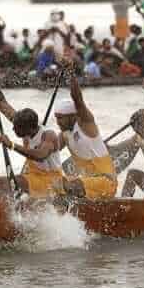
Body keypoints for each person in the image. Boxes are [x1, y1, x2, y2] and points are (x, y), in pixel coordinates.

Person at [0, 64, 62, 197]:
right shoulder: (22, 123)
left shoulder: (48, 135)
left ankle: (12, 210)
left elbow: (40, 155)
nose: (13, 128)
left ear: (29, 128)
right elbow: (2, 105)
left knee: (4, 183)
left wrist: (12, 145)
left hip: (51, 181)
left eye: (16, 128)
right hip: (33, 175)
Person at [50, 65, 117, 199]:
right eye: (56, 118)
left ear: (73, 116)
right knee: (53, 184)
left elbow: (78, 99)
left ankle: (67, 210)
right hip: (87, 184)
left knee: (67, 186)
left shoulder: (86, 125)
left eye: (61, 118)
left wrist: (70, 72)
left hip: (106, 182)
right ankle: (58, 218)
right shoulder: (64, 135)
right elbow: (48, 151)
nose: (58, 122)